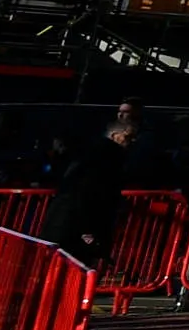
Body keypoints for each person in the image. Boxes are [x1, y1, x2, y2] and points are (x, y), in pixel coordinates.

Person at [48, 107, 136, 268]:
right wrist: (89, 232)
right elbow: (92, 194)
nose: (131, 142)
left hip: (68, 223)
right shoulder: (108, 159)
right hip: (80, 225)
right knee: (76, 269)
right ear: (116, 135)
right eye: (128, 137)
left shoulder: (91, 153)